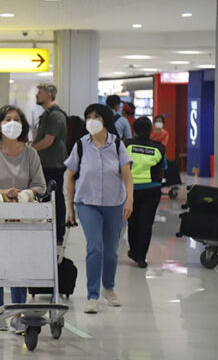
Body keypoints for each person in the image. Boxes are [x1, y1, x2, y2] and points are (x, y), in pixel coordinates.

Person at [0, 105, 46, 333]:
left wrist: (25, 193)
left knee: (19, 267)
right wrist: (5, 193)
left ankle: (17, 314)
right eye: (8, 119)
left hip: (23, 217)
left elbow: (40, 185)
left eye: (16, 119)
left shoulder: (30, 153)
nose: (12, 123)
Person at [64, 103, 133, 314]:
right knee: (95, 247)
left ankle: (109, 288)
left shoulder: (117, 144)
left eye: (97, 117)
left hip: (115, 203)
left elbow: (127, 176)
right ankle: (92, 295)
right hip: (87, 203)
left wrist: (130, 200)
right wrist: (70, 208)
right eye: (89, 117)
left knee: (111, 251)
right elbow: (69, 177)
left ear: (105, 120)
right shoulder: (81, 145)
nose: (92, 120)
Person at [125, 117, 167, 268]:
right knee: (146, 223)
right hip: (152, 190)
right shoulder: (159, 148)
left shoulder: (127, 145)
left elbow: (121, 166)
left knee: (133, 221)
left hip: (131, 189)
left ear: (134, 130)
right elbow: (163, 168)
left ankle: (134, 252)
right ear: (150, 130)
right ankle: (142, 257)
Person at [31, 83, 68, 244]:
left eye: (40, 92)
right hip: (45, 163)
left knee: (56, 197)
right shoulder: (46, 115)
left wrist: (31, 150)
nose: (37, 95)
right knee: (45, 197)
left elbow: (48, 140)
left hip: (54, 164)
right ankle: (47, 227)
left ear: (49, 95)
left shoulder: (55, 116)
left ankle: (59, 232)